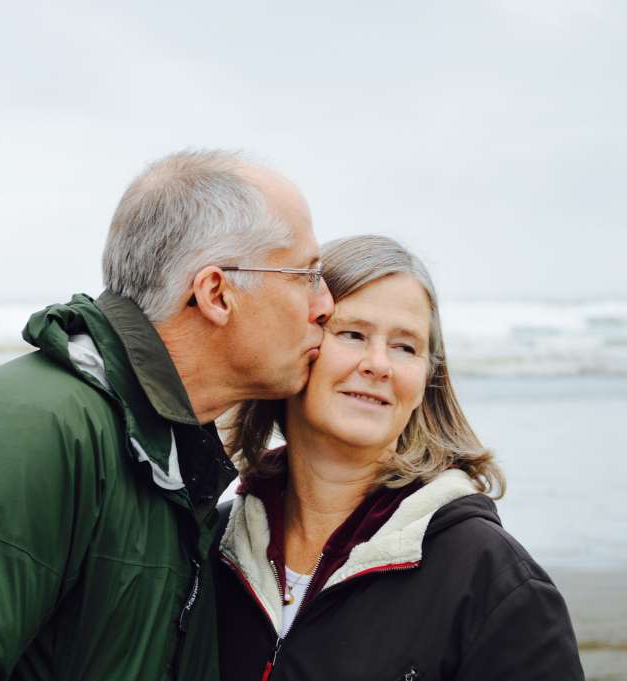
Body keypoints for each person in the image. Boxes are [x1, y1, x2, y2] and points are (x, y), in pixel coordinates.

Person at [0, 150, 334, 681]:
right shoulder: (29, 429)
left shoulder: (169, 454)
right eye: (305, 274)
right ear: (215, 293)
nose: (324, 304)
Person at [214, 235, 583, 681]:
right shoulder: (213, 545)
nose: (378, 364)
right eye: (352, 334)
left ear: (428, 378)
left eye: (405, 346)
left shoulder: (492, 579)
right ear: (299, 343)